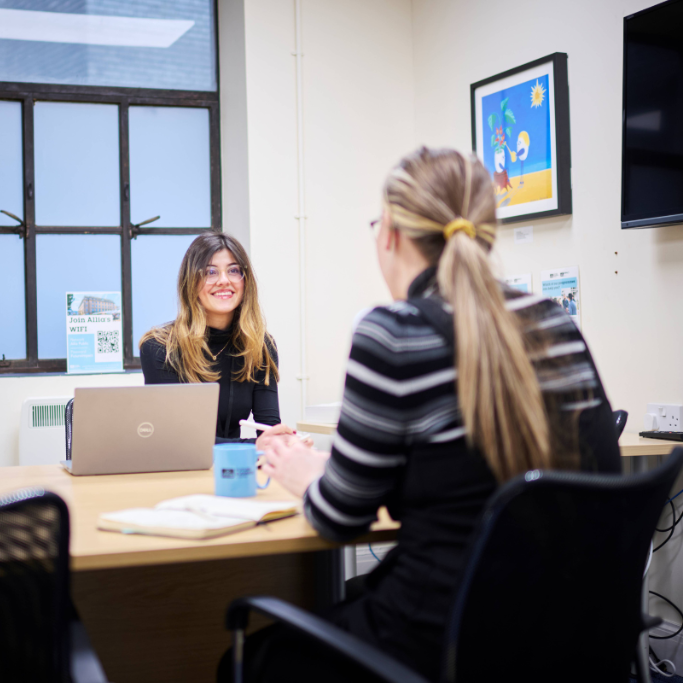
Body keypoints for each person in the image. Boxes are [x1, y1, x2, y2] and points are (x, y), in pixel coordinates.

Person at [226, 148, 621, 682]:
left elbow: (339, 519)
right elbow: (475, 474)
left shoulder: (394, 333)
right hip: (562, 634)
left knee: (244, 662)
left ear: (388, 232)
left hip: (440, 638)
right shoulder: (553, 322)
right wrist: (337, 471)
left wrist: (302, 475)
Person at [140, 232, 280, 442]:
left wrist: (283, 442)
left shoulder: (260, 345)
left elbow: (269, 431)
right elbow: (177, 439)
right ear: (191, 283)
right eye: (210, 272)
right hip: (181, 471)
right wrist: (257, 444)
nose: (224, 281)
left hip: (233, 470)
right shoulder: (160, 347)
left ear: (245, 281)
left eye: (234, 270)